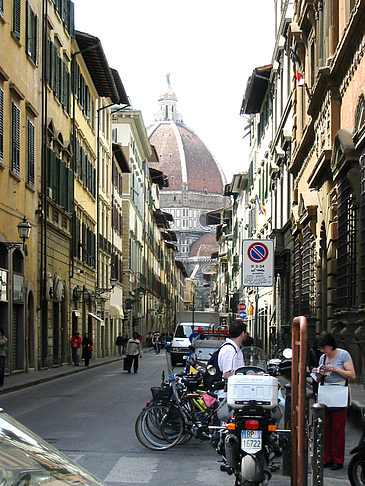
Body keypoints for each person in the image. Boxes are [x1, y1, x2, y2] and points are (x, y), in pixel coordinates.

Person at [312, 332, 355, 470]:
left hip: (339, 392)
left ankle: (338, 459)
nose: (322, 351)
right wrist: (318, 374)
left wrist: (336, 369)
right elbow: (319, 379)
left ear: (330, 345)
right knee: (326, 428)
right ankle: (327, 458)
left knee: (338, 428)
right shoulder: (323, 358)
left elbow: (352, 374)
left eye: (323, 348)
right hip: (326, 392)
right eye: (320, 349)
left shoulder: (343, 355)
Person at [217, 319, 247, 399]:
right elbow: (227, 374)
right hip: (228, 395)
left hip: (235, 393)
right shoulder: (229, 350)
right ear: (242, 334)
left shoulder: (236, 348)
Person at [308, 334, 322, 400]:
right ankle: (315, 394)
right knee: (315, 384)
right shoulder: (312, 350)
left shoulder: (323, 352)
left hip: (322, 370)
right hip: (315, 370)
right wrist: (312, 369)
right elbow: (310, 362)